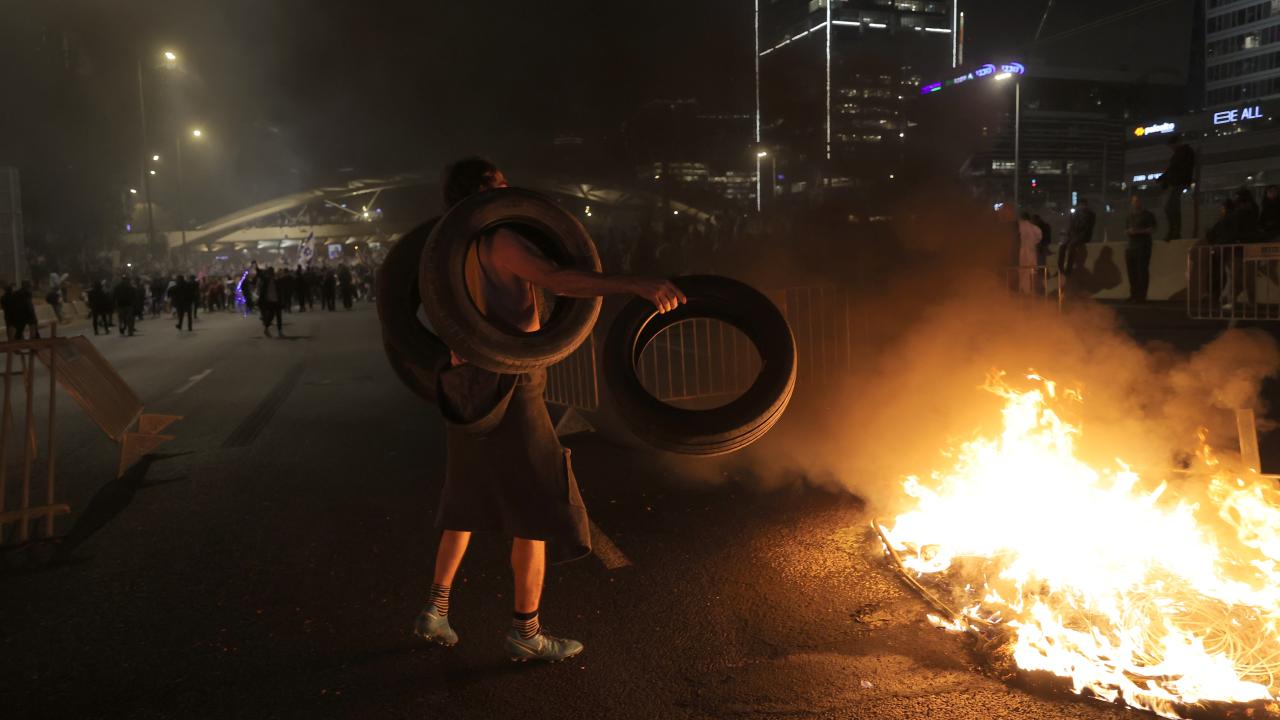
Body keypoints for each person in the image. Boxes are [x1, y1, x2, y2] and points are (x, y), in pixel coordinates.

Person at [411, 157, 687, 663]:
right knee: (538, 507)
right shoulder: (498, 240)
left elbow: (440, 310)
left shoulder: (455, 252)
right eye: (500, 183)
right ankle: (526, 632)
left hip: (470, 383)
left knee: (468, 499)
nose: (509, 188)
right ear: (486, 194)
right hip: (514, 385)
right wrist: (635, 283)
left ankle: (436, 608)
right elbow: (557, 279)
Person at [1160, 134, 1195, 241]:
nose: (1171, 148)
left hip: (1178, 183)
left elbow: (1175, 169)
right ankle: (1174, 231)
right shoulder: (1182, 153)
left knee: (1171, 207)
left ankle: (1174, 232)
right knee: (1172, 208)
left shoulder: (1183, 153)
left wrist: (1166, 178)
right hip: (1178, 183)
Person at [1125, 195, 1158, 302]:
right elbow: (1126, 229)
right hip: (1130, 247)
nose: (1135, 203)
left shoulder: (1148, 215)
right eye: (1134, 201)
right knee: (1132, 272)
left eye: (1137, 201)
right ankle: (1133, 294)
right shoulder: (1130, 216)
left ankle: (1142, 295)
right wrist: (1129, 231)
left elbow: (1152, 229)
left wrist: (1138, 231)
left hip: (1143, 247)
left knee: (1142, 271)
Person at [1059, 199, 1096, 277]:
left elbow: (1086, 227)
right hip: (1075, 234)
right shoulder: (1076, 214)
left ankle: (1069, 269)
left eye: (1081, 205)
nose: (1080, 207)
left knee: (1072, 246)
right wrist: (1067, 232)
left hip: (1084, 235)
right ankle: (1060, 267)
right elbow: (1072, 225)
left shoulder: (1089, 214)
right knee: (1063, 246)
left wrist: (1074, 230)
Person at [1016, 212, 1043, 294]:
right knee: (1030, 271)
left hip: (1022, 250)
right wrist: (1033, 242)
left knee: (1022, 271)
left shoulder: (1019, 226)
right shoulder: (1034, 227)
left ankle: (1023, 289)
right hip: (1031, 251)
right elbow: (1039, 237)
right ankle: (1030, 290)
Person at [258, 267, 283, 337]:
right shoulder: (267, 280)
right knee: (272, 316)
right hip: (271, 301)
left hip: (274, 300)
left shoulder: (275, 280)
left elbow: (279, 290)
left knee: (276, 316)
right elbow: (260, 274)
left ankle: (278, 331)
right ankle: (272, 330)